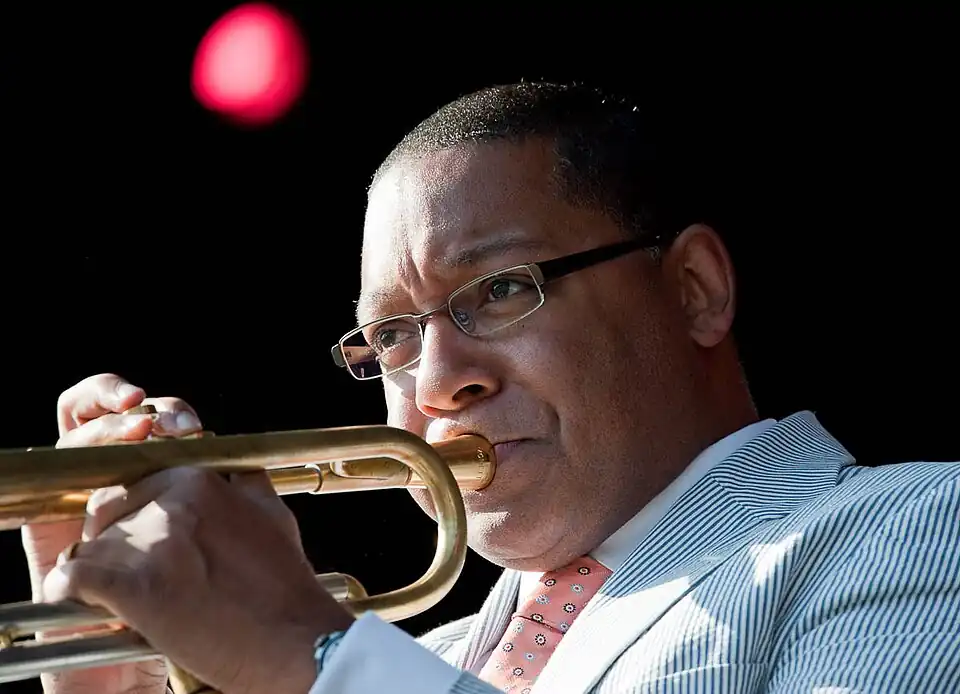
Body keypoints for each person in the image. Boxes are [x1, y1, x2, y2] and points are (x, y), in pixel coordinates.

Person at [23, 83, 960, 694]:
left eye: (502, 290)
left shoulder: (915, 524)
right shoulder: (426, 664)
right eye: (391, 334)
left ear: (693, 290)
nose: (435, 382)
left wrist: (309, 647)